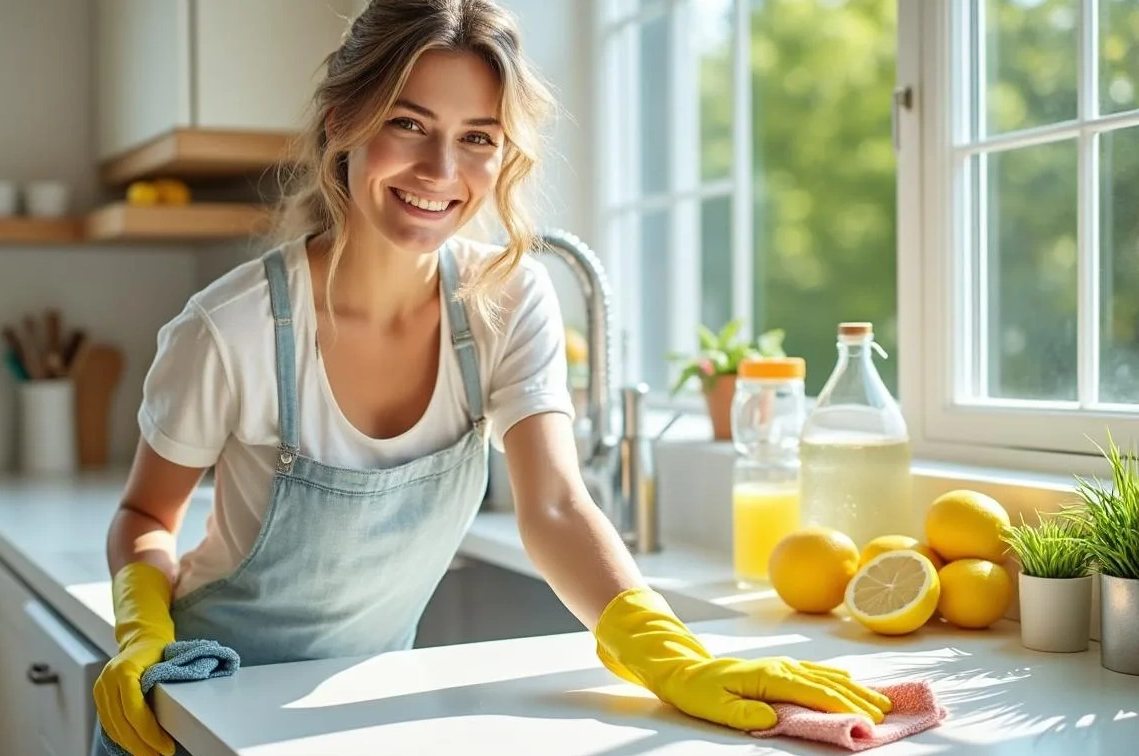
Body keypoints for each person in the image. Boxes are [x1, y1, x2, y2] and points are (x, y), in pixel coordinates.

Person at [91, 2, 892, 755]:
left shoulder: (504, 300)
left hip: (353, 708)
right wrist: (141, 633)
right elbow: (144, 514)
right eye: (409, 124)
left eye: (478, 137)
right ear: (343, 120)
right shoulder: (229, 329)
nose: (442, 169)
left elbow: (551, 503)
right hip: (193, 710)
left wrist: (669, 655)